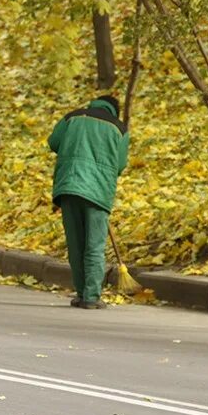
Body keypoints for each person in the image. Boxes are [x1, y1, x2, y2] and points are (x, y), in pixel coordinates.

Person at [48, 94, 129, 309]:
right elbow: (120, 165)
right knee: (94, 245)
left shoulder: (73, 117)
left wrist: (74, 148)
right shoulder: (119, 128)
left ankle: (81, 292)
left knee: (76, 244)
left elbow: (53, 142)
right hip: (98, 192)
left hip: (69, 186)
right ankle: (91, 297)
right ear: (114, 110)